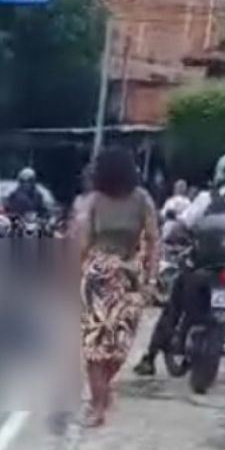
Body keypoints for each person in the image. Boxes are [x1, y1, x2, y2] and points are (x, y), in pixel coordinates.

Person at [74, 148, 160, 427]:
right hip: (110, 277)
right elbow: (84, 241)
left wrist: (150, 278)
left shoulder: (134, 200)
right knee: (101, 346)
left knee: (112, 347)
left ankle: (101, 393)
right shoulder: (100, 201)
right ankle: (98, 405)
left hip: (118, 276)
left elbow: (153, 241)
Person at [135, 155, 225, 376]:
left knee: (174, 306)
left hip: (202, 265)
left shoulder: (207, 198)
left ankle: (150, 358)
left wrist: (175, 238)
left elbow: (180, 226)